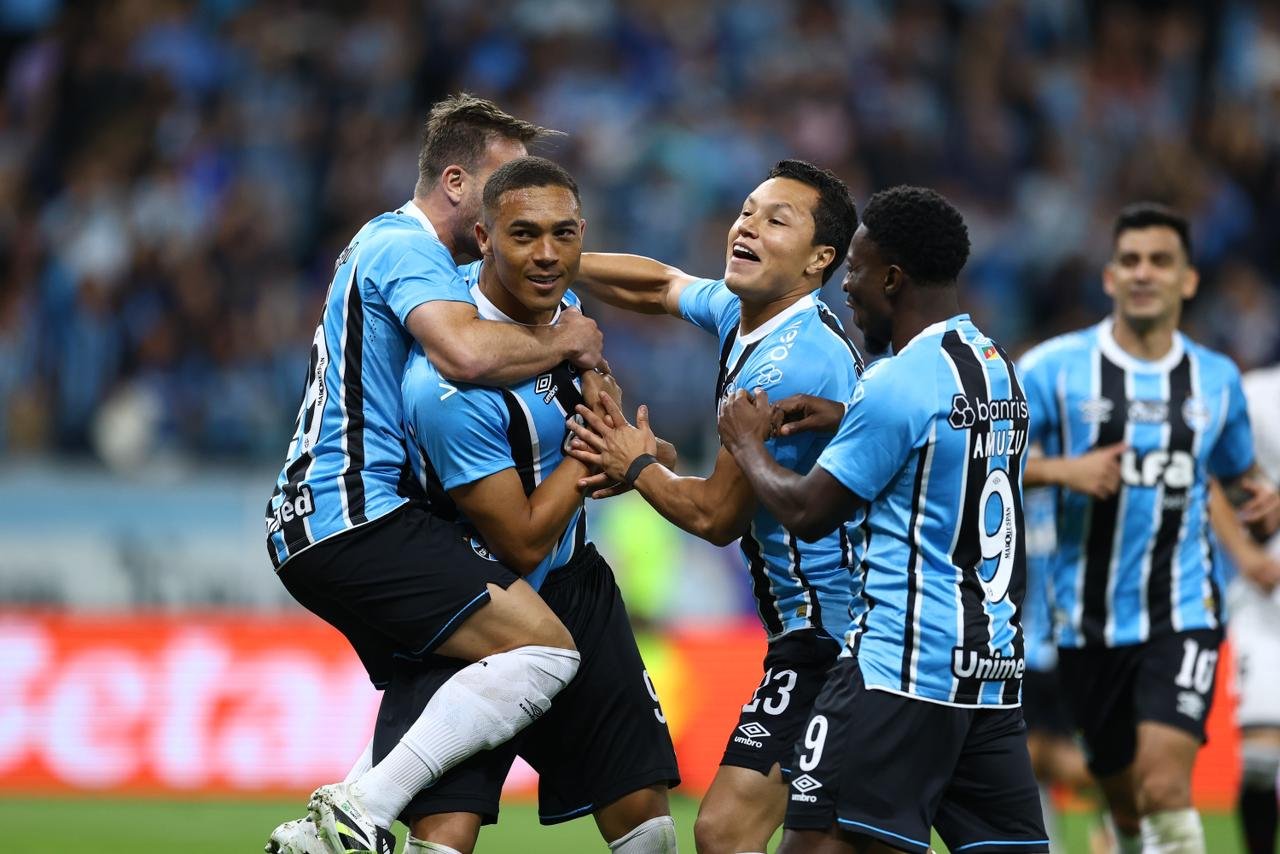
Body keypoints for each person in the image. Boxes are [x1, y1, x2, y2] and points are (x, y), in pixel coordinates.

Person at [264, 95, 606, 854]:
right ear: (455, 182)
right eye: (503, 181)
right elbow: (467, 355)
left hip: (329, 517)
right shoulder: (404, 245)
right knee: (545, 650)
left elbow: (571, 275)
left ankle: (332, 827)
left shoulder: (406, 252)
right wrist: (570, 341)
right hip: (354, 511)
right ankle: (359, 809)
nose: (518, 200)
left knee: (446, 684)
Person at [713, 185, 1048, 854]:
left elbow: (807, 513)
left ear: (892, 278)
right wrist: (849, 419)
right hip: (987, 676)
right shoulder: (995, 368)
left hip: (897, 673)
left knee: (815, 846)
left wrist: (747, 444)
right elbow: (943, 451)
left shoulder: (896, 381)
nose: (846, 288)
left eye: (856, 271)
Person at [384, 156, 681, 854]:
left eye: (563, 233)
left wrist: (637, 453)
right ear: (483, 238)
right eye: (524, 235)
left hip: (576, 589)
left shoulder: (564, 311)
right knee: (443, 838)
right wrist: (596, 449)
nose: (547, 254)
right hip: (473, 602)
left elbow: (618, 436)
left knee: (648, 827)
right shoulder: (449, 385)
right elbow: (519, 541)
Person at [566, 159, 864, 854]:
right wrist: (556, 265)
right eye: (747, 211)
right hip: (820, 631)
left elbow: (716, 517)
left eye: (776, 220)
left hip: (835, 635)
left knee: (728, 831)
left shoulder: (793, 361)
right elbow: (661, 285)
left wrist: (636, 465)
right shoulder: (747, 313)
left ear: (819, 260)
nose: (747, 226)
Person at [1018, 203, 1280, 853]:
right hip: (1085, 622)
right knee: (1128, 804)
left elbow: (1235, 474)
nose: (1143, 273)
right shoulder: (1053, 369)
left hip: (1182, 612)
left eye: (1160, 261)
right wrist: (1061, 470)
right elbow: (983, 458)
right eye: (1130, 261)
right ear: (1109, 277)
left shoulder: (1215, 379)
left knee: (1164, 787)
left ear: (1188, 279)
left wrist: (1261, 499)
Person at [1220, 361, 1280, 854]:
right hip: (1265, 604)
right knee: (1260, 761)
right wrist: (1244, 550)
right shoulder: (1255, 394)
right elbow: (1212, 475)